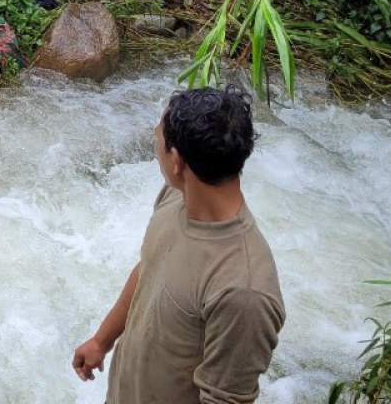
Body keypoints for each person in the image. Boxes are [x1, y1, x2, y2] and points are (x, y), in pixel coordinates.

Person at [72, 86, 286, 404]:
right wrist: (102, 341)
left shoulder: (244, 293)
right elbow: (150, 266)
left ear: (176, 160)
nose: (154, 143)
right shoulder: (179, 196)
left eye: (157, 138)